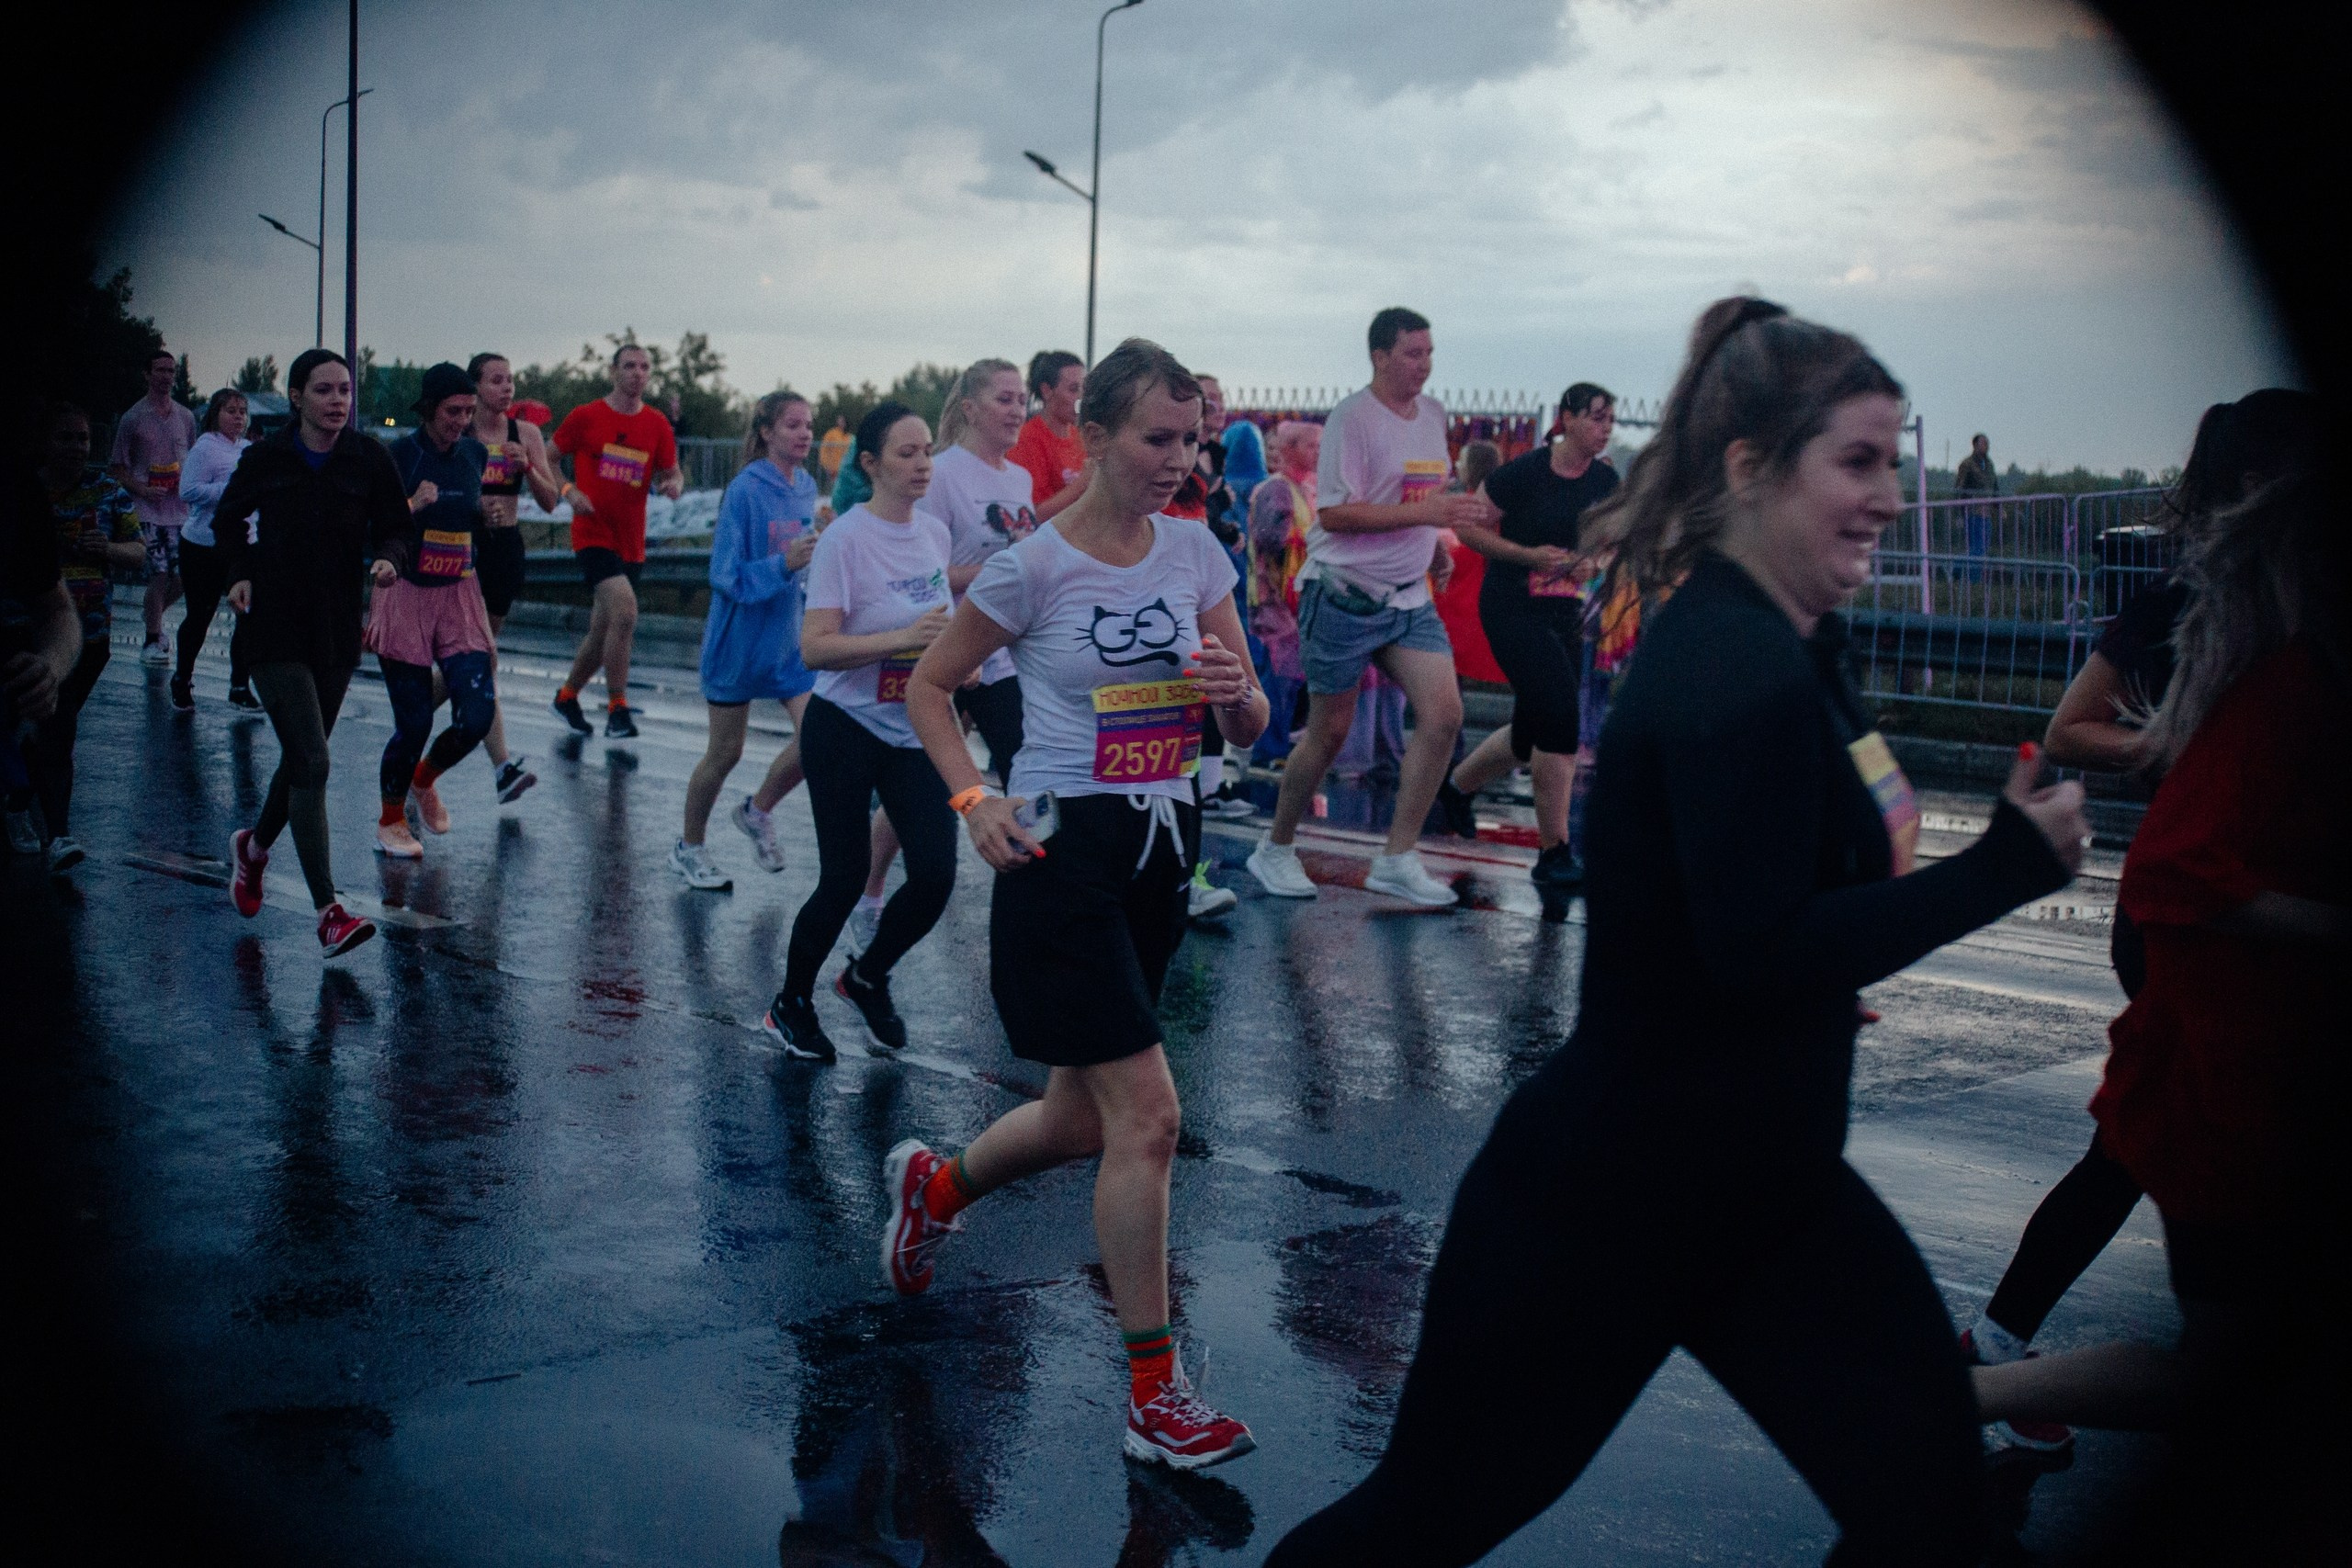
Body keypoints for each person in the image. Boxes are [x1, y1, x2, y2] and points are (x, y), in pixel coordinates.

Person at [1265, 299, 2087, 1567]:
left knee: (1936, 1518)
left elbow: (1808, 882)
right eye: (1856, 462)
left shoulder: (1807, 639)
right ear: (1752, 468)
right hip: (1609, 1203)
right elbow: (1755, 948)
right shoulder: (1725, 662)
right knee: (1418, 1524)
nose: (1887, 496)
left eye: (1892, 460)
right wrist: (2008, 868)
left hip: (1772, 1193)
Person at [1972, 390, 2341, 1566]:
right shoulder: (2192, 601)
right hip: (2186, 929)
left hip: (2223, 942)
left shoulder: (2296, 624)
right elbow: (2070, 730)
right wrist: (2173, 746)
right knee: (2139, 1141)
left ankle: (1986, 1354)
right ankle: (1980, 1358)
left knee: (2139, 1147)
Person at [889, 337, 1267, 1469]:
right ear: (1094, 435)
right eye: (1157, 438)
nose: (1177, 459)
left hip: (1162, 846)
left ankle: (934, 1188)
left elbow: (1247, 726)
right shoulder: (1033, 568)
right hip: (1059, 854)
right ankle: (1156, 1394)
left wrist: (1235, 694)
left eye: (1190, 439)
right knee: (1148, 1117)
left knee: (1075, 1119)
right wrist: (971, 797)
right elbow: (928, 685)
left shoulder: (1198, 552)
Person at [1245, 307, 1483, 908]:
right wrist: (1426, 520)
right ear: (1379, 355)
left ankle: (1397, 858)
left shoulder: (1433, 415)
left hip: (1407, 597)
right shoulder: (1352, 418)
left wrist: (1431, 549)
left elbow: (1419, 493)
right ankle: (1275, 847)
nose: (1424, 365)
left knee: (1445, 714)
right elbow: (1336, 515)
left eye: (1430, 353)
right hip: (1343, 593)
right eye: (1412, 353)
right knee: (1329, 733)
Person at [759, 402, 956, 1063]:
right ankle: (790, 1003)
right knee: (842, 879)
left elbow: (943, 632)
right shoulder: (846, 537)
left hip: (911, 729)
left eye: (927, 449)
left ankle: (866, 976)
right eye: (906, 453)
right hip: (843, 725)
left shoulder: (933, 535)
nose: (923, 462)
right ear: (869, 464)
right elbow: (814, 649)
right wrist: (903, 639)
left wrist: (967, 661)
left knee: (935, 875)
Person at [216, 347, 409, 957]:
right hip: (272, 624)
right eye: (324, 391)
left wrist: (389, 560)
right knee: (313, 761)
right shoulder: (267, 457)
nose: (337, 402)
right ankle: (330, 911)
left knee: (304, 759)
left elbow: (397, 526)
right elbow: (228, 520)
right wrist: (238, 573)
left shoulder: (367, 459)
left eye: (345, 391)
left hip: (335, 628)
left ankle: (252, 850)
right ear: (296, 396)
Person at [1443, 383, 1620, 906]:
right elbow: (1471, 530)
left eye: (1611, 419)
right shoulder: (1521, 474)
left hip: (1564, 610)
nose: (1606, 428)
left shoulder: (1607, 480)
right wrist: (1525, 555)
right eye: (1597, 418)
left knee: (1532, 730)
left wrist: (1596, 563)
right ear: (1567, 419)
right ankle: (1555, 852)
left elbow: (1613, 542)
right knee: (1560, 714)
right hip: (1510, 607)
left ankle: (1456, 788)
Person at [673, 390, 821, 891]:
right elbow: (724, 574)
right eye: (793, 425)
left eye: (809, 425)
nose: (805, 434)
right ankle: (688, 847)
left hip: (787, 641)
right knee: (724, 755)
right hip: (738, 643)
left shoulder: (806, 487)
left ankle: (758, 811)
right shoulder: (743, 490)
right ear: (765, 433)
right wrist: (785, 563)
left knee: (817, 739)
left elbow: (804, 563)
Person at [368, 364, 499, 859]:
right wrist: (410, 505)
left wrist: (482, 517)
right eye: (452, 411)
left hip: (459, 593)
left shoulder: (474, 453)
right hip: (406, 593)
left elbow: (464, 511)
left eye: (468, 411)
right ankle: (390, 818)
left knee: (477, 716)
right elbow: (373, 526)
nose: (461, 421)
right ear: (428, 409)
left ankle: (424, 780)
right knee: (416, 721)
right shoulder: (399, 454)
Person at [30, 403, 143, 874]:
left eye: (83, 440)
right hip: (31, 633)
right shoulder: (27, 492)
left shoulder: (108, 494)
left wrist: (110, 549)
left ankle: (35, 811)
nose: (77, 448)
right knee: (50, 727)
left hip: (91, 637)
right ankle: (55, 831)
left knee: (56, 724)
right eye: (66, 438)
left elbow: (139, 553)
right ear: (44, 441)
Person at [550, 343, 683, 739]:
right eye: (629, 366)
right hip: (592, 534)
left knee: (605, 628)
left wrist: (673, 483)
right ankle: (617, 708)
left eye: (644, 367)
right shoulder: (587, 416)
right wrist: (568, 490)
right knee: (625, 613)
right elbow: (548, 455)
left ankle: (568, 695)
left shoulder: (657, 423)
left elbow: (673, 472)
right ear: (613, 372)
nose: (637, 373)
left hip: (632, 541)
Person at [922, 357, 1035, 785]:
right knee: (932, 783)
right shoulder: (941, 475)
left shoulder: (1020, 478)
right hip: (954, 647)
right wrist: (1002, 567)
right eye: (1004, 400)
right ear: (969, 408)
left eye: (1022, 401)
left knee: (1018, 767)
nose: (1017, 411)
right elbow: (928, 577)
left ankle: (1025, 847)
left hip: (1005, 653)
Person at [467, 351, 565, 805]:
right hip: (460, 551)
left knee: (476, 661)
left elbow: (549, 503)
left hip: (504, 551)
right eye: (496, 380)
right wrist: (472, 508)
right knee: (479, 658)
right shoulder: (460, 429)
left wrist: (527, 464)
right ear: (476, 388)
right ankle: (502, 766)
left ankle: (411, 724)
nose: (506, 388)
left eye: (510, 380)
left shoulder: (524, 433)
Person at [3, 460, 83, 859]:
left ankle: (50, 828)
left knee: (56, 731)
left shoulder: (16, 485)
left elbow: (55, 610)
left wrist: (49, 666)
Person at [107, 347, 198, 665]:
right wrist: (143, 490)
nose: (166, 377)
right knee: (159, 572)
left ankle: (155, 623)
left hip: (179, 510)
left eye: (171, 371)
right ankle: (151, 639)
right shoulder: (133, 418)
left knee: (183, 577)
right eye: (159, 370)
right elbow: (117, 467)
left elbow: (190, 460)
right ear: (147, 375)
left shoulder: (185, 417)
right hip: (147, 511)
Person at [171, 389, 258, 711]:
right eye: (231, 411)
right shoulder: (206, 447)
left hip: (239, 544)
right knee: (200, 616)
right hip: (202, 544)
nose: (238, 417)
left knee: (245, 614)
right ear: (216, 414)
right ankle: (182, 679)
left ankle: (239, 686)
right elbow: (188, 491)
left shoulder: (248, 449)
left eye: (242, 411)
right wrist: (230, 492)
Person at [1245, 420, 1317, 767]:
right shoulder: (1277, 490)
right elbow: (1270, 540)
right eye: (1310, 446)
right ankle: (1268, 750)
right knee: (1279, 678)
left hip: (1297, 602)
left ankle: (1280, 745)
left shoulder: (1305, 489)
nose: (1318, 453)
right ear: (1289, 449)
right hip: (1274, 601)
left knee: (1292, 677)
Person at [1007, 350, 1088, 524]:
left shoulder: (1081, 437)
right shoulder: (1027, 440)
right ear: (1047, 391)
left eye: (1084, 389)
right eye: (1074, 389)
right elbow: (1034, 515)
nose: (1082, 398)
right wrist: (1085, 482)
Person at [1954, 431, 1998, 579]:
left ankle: (1957, 570)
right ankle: (1971, 578)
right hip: (1972, 512)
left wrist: (1999, 507)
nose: (1986, 446)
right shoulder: (1967, 464)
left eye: (1987, 444)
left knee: (1982, 547)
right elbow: (1959, 489)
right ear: (1974, 445)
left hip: (1986, 513)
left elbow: (1994, 487)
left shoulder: (1989, 464)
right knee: (1976, 547)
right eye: (1983, 443)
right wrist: (1960, 513)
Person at [818, 415, 851, 490]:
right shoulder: (831, 433)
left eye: (843, 421)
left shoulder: (848, 436)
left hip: (845, 468)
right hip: (833, 467)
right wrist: (826, 464)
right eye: (839, 420)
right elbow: (823, 449)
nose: (841, 423)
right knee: (834, 488)